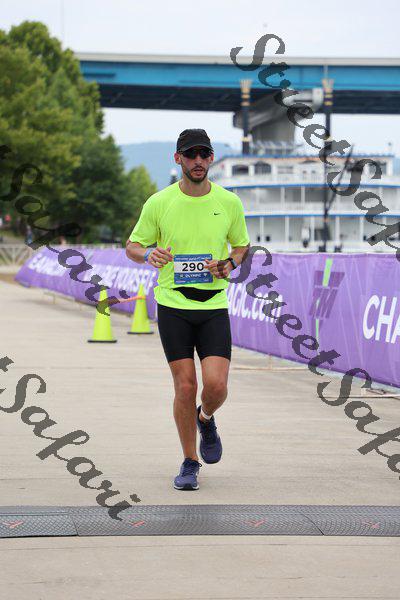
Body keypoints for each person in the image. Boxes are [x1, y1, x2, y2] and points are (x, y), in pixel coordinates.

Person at [126, 128, 250, 491]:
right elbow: (132, 246)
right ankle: (189, 461)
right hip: (173, 305)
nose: (198, 161)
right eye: (190, 154)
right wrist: (148, 254)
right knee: (185, 386)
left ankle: (205, 418)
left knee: (216, 385)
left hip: (213, 305)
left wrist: (229, 264)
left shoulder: (229, 202)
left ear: (211, 159)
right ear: (178, 158)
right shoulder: (159, 202)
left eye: (204, 154)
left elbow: (241, 247)